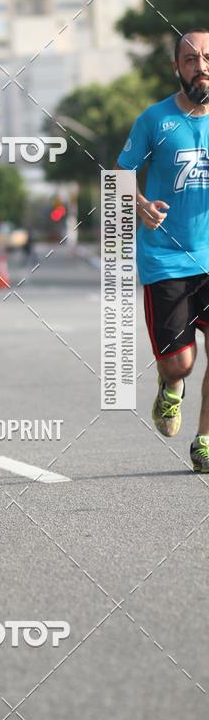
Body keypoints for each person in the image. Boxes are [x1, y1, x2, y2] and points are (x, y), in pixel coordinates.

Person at [117, 28, 209, 471]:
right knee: (181, 364)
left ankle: (205, 440)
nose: (201, 66)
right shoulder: (154, 120)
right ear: (177, 68)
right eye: (190, 59)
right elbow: (119, 174)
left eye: (207, 57)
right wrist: (141, 205)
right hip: (166, 260)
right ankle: (170, 386)